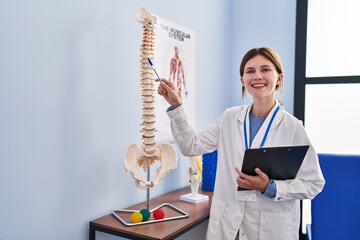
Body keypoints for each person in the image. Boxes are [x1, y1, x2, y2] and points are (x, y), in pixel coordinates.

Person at [157, 47, 325, 240]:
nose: (257, 76)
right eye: (250, 71)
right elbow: (191, 145)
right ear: (242, 80)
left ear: (279, 78)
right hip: (229, 226)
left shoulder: (293, 128)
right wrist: (176, 107)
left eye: (265, 69)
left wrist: (270, 187)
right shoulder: (229, 118)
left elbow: (314, 184)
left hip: (271, 230)